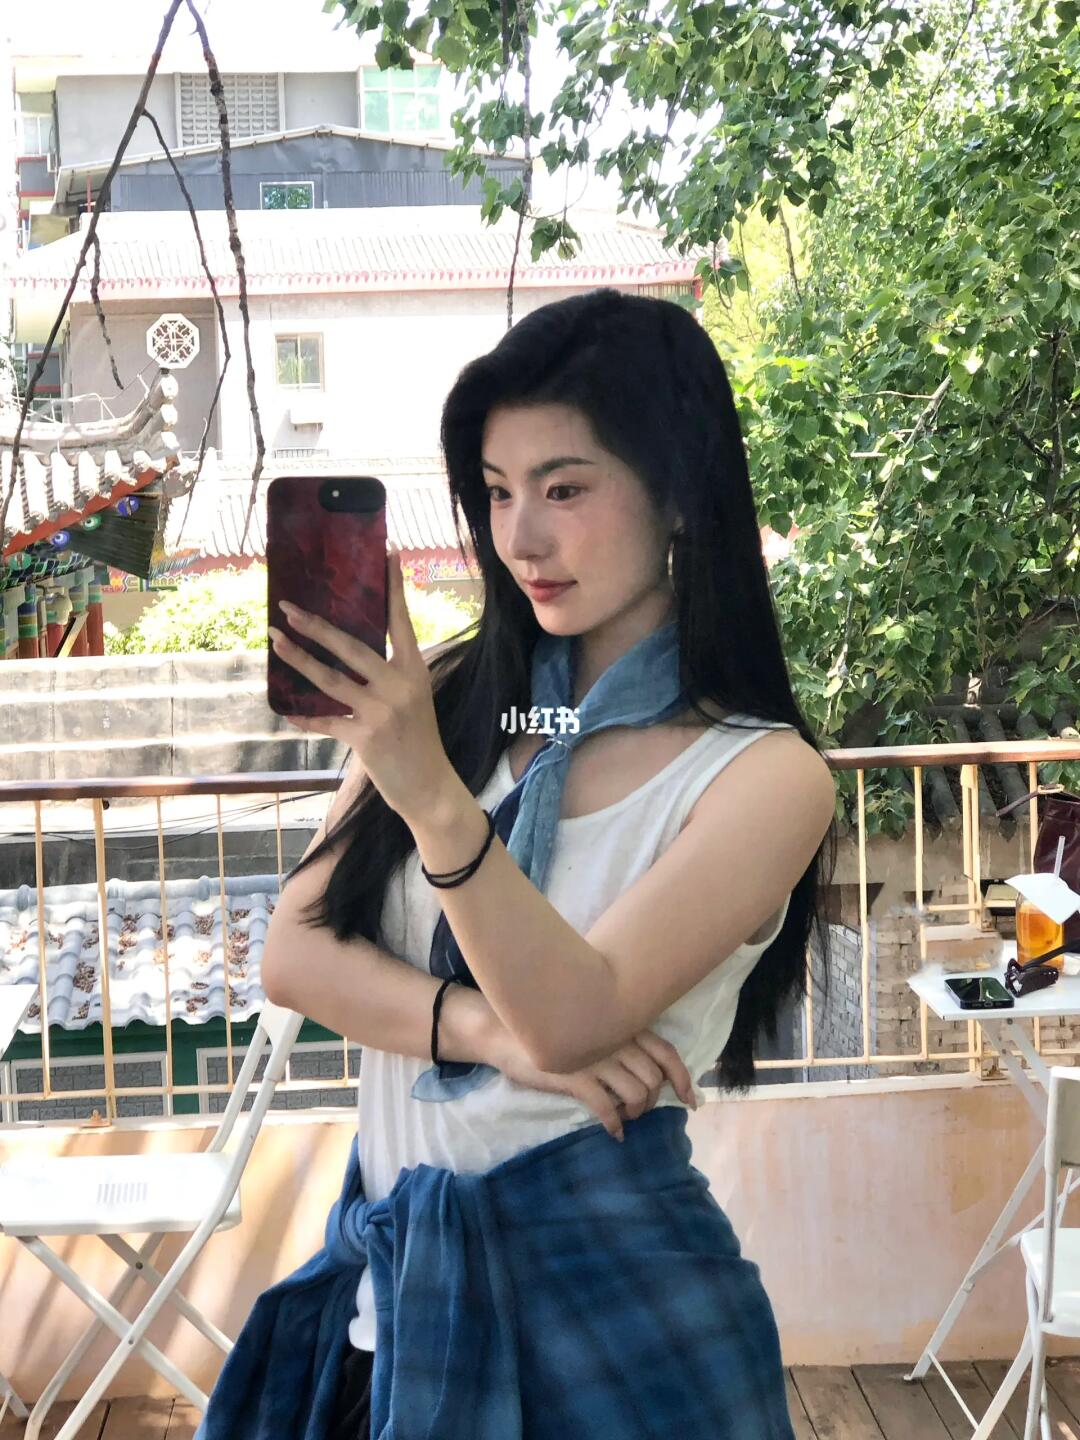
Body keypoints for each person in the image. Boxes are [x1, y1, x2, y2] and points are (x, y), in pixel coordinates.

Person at [202, 288, 837, 1440]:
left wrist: (435, 802)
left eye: (564, 489)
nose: (521, 538)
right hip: (401, 1307)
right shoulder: (447, 703)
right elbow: (294, 956)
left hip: (629, 1324)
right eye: (497, 492)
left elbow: (573, 1015)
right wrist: (482, 1032)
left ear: (679, 493)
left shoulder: (762, 777)